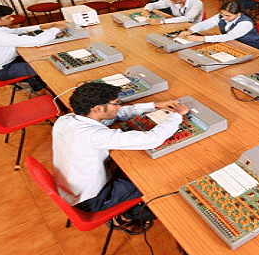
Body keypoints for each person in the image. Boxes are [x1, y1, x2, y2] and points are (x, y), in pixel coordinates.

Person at [52, 82, 189, 233]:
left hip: (75, 188)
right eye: (116, 103)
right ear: (97, 108)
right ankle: (125, 217)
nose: (119, 106)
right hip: (94, 199)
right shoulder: (93, 135)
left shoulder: (67, 119)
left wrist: (154, 105)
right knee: (160, 184)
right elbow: (153, 139)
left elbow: (116, 114)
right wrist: (177, 115)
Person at [0, 3, 62, 94]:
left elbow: (13, 31)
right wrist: (56, 29)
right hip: (3, 71)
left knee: (39, 57)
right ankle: (44, 90)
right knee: (47, 66)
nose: (12, 19)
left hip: (1, 63)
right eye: (8, 17)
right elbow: (37, 41)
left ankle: (37, 85)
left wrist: (40, 27)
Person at [178, 1, 259, 50]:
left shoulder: (245, 23)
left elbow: (228, 36)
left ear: (238, 14)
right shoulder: (223, 16)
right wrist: (191, 30)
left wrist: (203, 38)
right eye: (223, 14)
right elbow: (206, 23)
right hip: (232, 43)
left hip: (249, 46)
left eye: (228, 16)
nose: (224, 17)